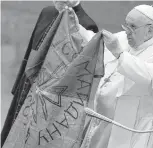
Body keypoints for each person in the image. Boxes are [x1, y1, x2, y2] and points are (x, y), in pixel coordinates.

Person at [1, 0, 98, 147]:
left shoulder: (87, 25)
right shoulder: (47, 12)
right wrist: (18, 86)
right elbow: (30, 50)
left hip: (51, 97)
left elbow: (80, 74)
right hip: (27, 85)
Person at [81, 5, 153, 148]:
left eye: (133, 27)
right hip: (106, 122)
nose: (126, 32)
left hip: (133, 129)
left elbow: (146, 76)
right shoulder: (125, 37)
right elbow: (96, 43)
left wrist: (119, 53)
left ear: (150, 30)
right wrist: (75, 26)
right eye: (126, 25)